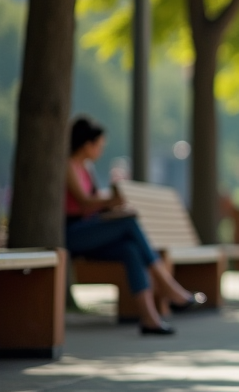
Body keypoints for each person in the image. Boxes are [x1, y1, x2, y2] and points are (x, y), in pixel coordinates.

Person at [65, 116, 205, 335]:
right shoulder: (69, 166)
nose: (101, 150)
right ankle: (167, 286)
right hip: (74, 233)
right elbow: (83, 203)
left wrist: (112, 204)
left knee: (130, 250)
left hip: (91, 230)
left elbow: (95, 202)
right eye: (99, 145)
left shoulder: (87, 169)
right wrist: (112, 200)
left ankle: (150, 319)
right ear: (87, 144)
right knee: (130, 223)